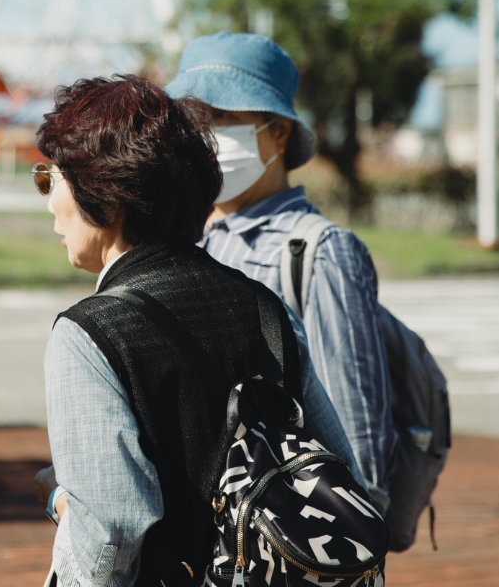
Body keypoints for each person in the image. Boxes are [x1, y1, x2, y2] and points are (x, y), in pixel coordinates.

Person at [29, 75, 361, 587]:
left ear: (107, 196)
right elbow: (335, 462)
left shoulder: (89, 335)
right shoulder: (263, 306)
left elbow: (110, 534)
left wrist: (63, 503)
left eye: (52, 178)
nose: (50, 201)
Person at [166, 32, 397, 510]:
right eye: (193, 119)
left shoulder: (320, 250)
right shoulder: (191, 240)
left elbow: (358, 437)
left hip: (292, 548)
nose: (204, 135)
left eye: (223, 117)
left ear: (279, 133)